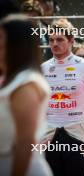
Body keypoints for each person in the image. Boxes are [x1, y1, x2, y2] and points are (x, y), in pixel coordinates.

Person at [41, 18, 84, 176]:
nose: (54, 43)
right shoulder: (42, 68)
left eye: (60, 39)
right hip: (49, 137)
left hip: (77, 135)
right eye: (51, 40)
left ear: (71, 41)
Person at [0, 14, 52, 176]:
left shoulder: (27, 84)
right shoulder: (10, 80)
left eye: (1, 38)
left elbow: (25, 144)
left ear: (16, 44)